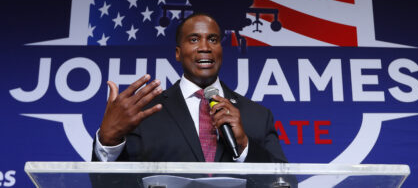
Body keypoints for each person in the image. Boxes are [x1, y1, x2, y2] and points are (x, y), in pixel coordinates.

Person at [92, 13, 287, 163]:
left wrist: (244, 145)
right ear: (178, 53)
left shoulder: (258, 115)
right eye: (194, 40)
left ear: (221, 49)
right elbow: (113, 183)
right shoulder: (144, 113)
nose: (205, 47)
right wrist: (108, 142)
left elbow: (283, 182)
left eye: (213, 39)